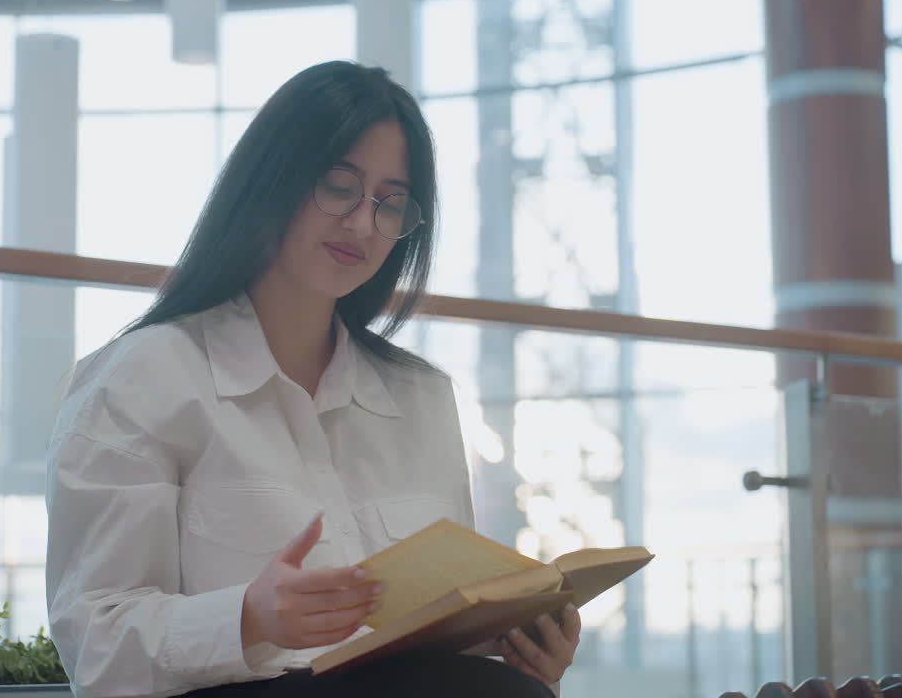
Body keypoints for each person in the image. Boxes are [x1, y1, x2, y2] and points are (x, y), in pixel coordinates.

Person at [43, 61, 580, 698]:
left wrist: (512, 645)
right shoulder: (141, 379)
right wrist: (245, 619)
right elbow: (94, 644)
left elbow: (441, 626)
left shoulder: (422, 397)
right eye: (337, 186)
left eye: (390, 203)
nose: (361, 224)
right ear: (272, 180)